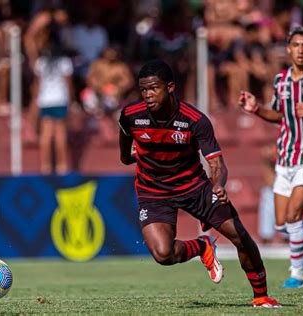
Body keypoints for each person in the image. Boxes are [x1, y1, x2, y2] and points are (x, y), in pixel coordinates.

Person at [119, 60, 280, 308]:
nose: (147, 95)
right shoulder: (131, 115)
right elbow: (125, 152)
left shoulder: (194, 119)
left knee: (240, 237)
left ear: (170, 87)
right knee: (163, 255)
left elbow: (217, 164)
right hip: (153, 192)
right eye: (143, 90)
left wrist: (218, 185)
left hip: (195, 188)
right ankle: (202, 246)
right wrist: (131, 155)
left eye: (153, 88)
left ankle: (261, 296)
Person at [239, 26, 303, 289]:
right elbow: (278, 114)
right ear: (288, 49)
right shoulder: (280, 80)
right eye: (296, 45)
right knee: (283, 225)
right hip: (284, 157)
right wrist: (256, 109)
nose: (300, 50)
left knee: (295, 216)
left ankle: (297, 274)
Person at [34, 25, 73, 175]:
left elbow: (37, 84)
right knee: (60, 135)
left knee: (46, 134)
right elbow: (68, 84)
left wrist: (36, 102)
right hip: (60, 99)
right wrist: (71, 101)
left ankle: (45, 167)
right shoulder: (64, 62)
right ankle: (62, 166)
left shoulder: (41, 62)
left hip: (45, 100)